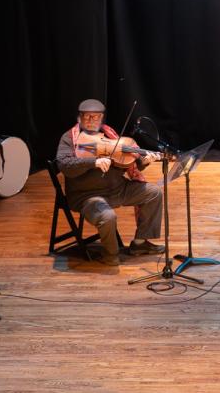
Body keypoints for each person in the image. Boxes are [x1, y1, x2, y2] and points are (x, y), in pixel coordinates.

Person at [55, 99, 165, 267]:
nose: (92, 120)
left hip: (117, 189)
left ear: (102, 119)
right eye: (87, 117)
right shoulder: (70, 139)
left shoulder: (111, 136)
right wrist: (93, 162)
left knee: (154, 193)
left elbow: (128, 164)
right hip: (87, 195)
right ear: (79, 118)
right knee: (107, 216)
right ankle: (110, 255)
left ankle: (140, 243)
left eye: (96, 117)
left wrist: (144, 161)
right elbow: (64, 164)